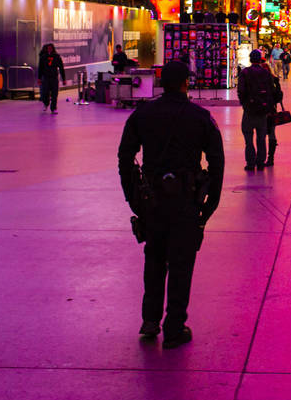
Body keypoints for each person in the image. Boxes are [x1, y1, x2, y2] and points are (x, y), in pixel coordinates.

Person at [118, 61, 225, 349]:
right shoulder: (200, 117)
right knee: (181, 264)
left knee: (154, 258)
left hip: (151, 201)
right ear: (185, 83)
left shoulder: (143, 114)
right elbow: (217, 160)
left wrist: (133, 197)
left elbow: (125, 156)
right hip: (186, 202)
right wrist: (210, 204)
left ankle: (150, 320)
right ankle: (174, 327)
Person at [237, 50, 279, 170]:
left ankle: (250, 163)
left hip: (249, 111)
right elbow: (271, 90)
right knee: (261, 138)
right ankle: (261, 162)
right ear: (260, 59)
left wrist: (244, 104)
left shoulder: (245, 72)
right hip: (262, 111)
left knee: (248, 139)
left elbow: (241, 90)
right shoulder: (266, 73)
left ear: (250, 59)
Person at [37, 43, 66, 114]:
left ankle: (54, 108)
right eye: (48, 48)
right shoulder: (43, 57)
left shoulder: (57, 56)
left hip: (54, 78)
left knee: (54, 94)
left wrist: (64, 79)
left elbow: (61, 68)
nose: (49, 49)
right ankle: (46, 104)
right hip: (45, 77)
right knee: (45, 93)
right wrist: (39, 78)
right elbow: (40, 68)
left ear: (53, 49)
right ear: (46, 49)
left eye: (51, 48)